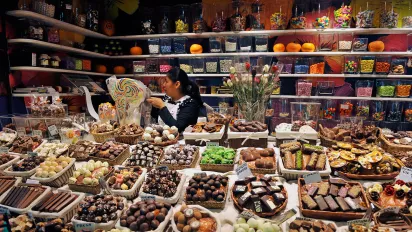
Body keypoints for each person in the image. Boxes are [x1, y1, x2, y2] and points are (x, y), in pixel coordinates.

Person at [147, 67, 205, 132]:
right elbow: (157, 116)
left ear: (177, 84)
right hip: (163, 140)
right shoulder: (167, 98)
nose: (163, 85)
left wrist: (162, 107)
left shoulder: (190, 104)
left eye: (166, 81)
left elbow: (178, 128)